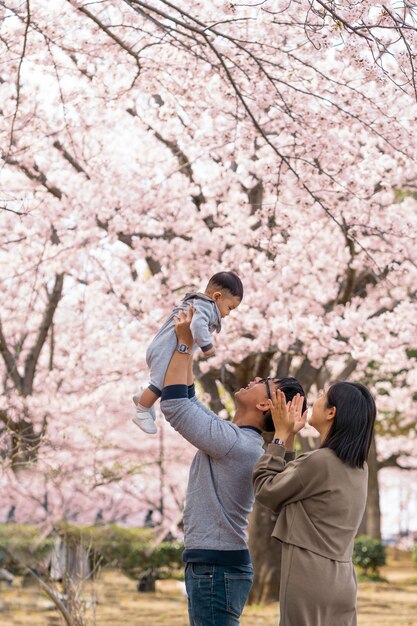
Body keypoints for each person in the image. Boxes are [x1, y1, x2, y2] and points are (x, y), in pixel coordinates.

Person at [159, 305, 306, 626]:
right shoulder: (236, 438)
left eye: (263, 381)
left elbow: (173, 405)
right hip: (216, 566)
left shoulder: (234, 443)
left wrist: (183, 345)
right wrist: (190, 344)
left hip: (216, 568)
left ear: (265, 404)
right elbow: (187, 399)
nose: (254, 378)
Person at [253, 381, 377, 626]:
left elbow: (266, 488)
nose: (316, 398)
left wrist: (278, 437)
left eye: (322, 395)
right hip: (343, 580)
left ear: (332, 412)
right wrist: (289, 438)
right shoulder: (358, 467)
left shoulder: (319, 462)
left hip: (309, 577)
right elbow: (293, 484)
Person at [133, 271, 243, 434]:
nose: (227, 313)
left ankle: (143, 395)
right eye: (229, 308)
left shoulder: (201, 304)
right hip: (165, 349)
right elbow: (197, 326)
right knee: (161, 382)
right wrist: (207, 346)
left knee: (165, 379)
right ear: (217, 296)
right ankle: (142, 411)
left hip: (163, 348)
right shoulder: (205, 305)